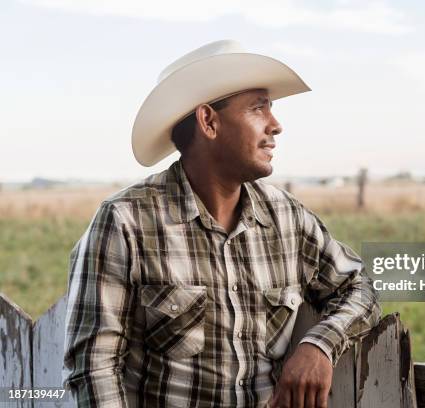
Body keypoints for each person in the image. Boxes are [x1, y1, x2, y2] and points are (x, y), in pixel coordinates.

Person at [63, 39, 381, 408]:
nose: (275, 126)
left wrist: (319, 344)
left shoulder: (287, 218)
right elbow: (94, 369)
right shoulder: (125, 222)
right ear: (209, 121)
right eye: (258, 108)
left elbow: (359, 286)